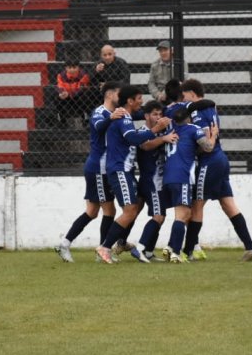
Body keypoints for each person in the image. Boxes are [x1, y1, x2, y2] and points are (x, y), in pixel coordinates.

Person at [180, 78, 252, 262]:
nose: (184, 101)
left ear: (192, 94)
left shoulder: (199, 112)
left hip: (210, 161)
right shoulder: (210, 108)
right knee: (228, 205)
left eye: (185, 97)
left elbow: (205, 143)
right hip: (221, 159)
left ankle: (188, 251)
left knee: (196, 205)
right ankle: (251, 248)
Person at [94, 85, 172, 264]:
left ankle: (117, 244)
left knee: (131, 210)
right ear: (129, 101)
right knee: (130, 211)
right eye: (138, 98)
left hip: (125, 171)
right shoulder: (123, 117)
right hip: (119, 169)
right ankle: (105, 247)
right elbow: (133, 139)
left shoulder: (125, 116)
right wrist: (155, 130)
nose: (141, 101)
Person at [55, 82, 125, 263]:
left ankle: (65, 243)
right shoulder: (100, 112)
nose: (122, 97)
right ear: (110, 95)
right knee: (109, 210)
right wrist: (112, 118)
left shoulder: (115, 112)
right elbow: (99, 126)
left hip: (100, 168)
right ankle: (103, 250)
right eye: (119, 93)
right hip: (98, 169)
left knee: (92, 212)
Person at [160, 105, 217, 263]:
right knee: (183, 215)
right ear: (188, 118)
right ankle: (176, 253)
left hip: (169, 177)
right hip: (183, 176)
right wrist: (214, 135)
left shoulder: (170, 131)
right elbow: (208, 147)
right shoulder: (192, 128)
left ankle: (171, 247)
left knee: (182, 214)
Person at [132, 100, 176, 262]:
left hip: (158, 181)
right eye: (154, 114)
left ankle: (148, 252)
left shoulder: (163, 130)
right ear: (146, 116)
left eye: (160, 114)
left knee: (159, 217)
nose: (158, 117)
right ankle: (140, 248)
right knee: (158, 216)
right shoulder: (142, 131)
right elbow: (146, 146)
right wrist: (164, 138)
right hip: (151, 181)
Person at [54, 59, 92, 127]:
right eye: (69, 68)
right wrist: (62, 93)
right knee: (57, 97)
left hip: (78, 95)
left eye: (74, 67)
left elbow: (81, 88)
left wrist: (70, 94)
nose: (72, 70)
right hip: (66, 95)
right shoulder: (61, 76)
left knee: (85, 95)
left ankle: (85, 118)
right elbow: (59, 85)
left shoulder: (83, 75)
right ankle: (62, 120)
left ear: (78, 67)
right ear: (66, 68)